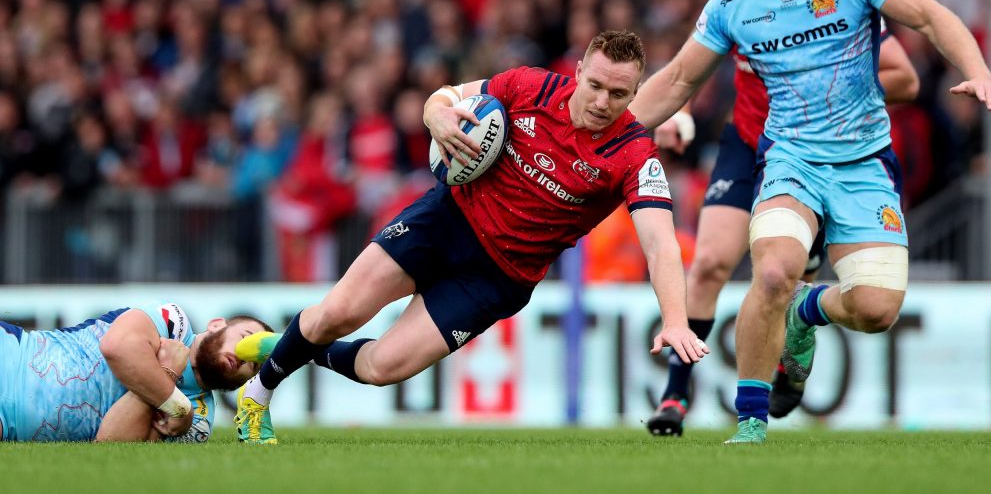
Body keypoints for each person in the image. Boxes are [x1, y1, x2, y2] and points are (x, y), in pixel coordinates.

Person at [629, 0, 991, 444]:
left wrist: (978, 70)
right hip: (789, 157)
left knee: (877, 310)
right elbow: (680, 78)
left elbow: (929, 16)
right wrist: (608, 134)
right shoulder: (732, 3)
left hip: (863, 160)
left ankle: (806, 312)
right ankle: (749, 425)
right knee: (772, 271)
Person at [232, 30, 710, 444]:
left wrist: (675, 321)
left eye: (619, 94)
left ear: (636, 93)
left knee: (380, 368)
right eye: (596, 86)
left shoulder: (634, 154)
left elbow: (660, 244)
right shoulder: (531, 86)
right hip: (445, 221)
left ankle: (285, 346)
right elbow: (445, 96)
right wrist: (436, 116)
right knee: (337, 314)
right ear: (579, 71)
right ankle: (258, 395)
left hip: (496, 278)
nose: (603, 102)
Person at [647, 0, 922, 437]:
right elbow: (688, 73)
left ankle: (789, 363)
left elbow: (906, 78)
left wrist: (837, 94)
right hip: (748, 145)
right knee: (709, 262)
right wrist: (677, 115)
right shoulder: (742, 2)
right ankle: (676, 395)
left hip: (816, 155)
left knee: (787, 280)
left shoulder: (838, 2)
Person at [0, 303, 271, 442]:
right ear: (216, 325)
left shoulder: (199, 422)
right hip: (11, 351)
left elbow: (110, 445)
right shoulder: (172, 321)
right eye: (245, 338)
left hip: (7, 425)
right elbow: (116, 347)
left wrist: (165, 374)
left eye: (254, 365)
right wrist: (176, 406)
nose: (244, 357)